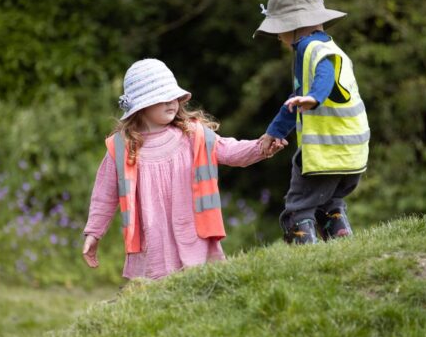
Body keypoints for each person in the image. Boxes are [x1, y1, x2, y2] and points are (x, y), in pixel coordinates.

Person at [82, 58, 284, 280]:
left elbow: (230, 151)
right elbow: (104, 195)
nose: (171, 102)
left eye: (174, 97)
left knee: (201, 288)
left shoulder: (193, 136)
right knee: (158, 296)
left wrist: (261, 147)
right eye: (162, 98)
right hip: (152, 241)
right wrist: (94, 233)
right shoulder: (121, 147)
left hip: (194, 232)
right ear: (140, 105)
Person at [256, 0, 370, 245]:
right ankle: (340, 239)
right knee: (329, 202)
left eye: (279, 30)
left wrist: (315, 97)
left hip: (324, 152)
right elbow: (293, 102)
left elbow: (324, 75)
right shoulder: (329, 45)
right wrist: (275, 131)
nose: (278, 38)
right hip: (352, 153)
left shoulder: (311, 48)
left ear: (292, 27)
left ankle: (304, 253)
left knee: (298, 208)